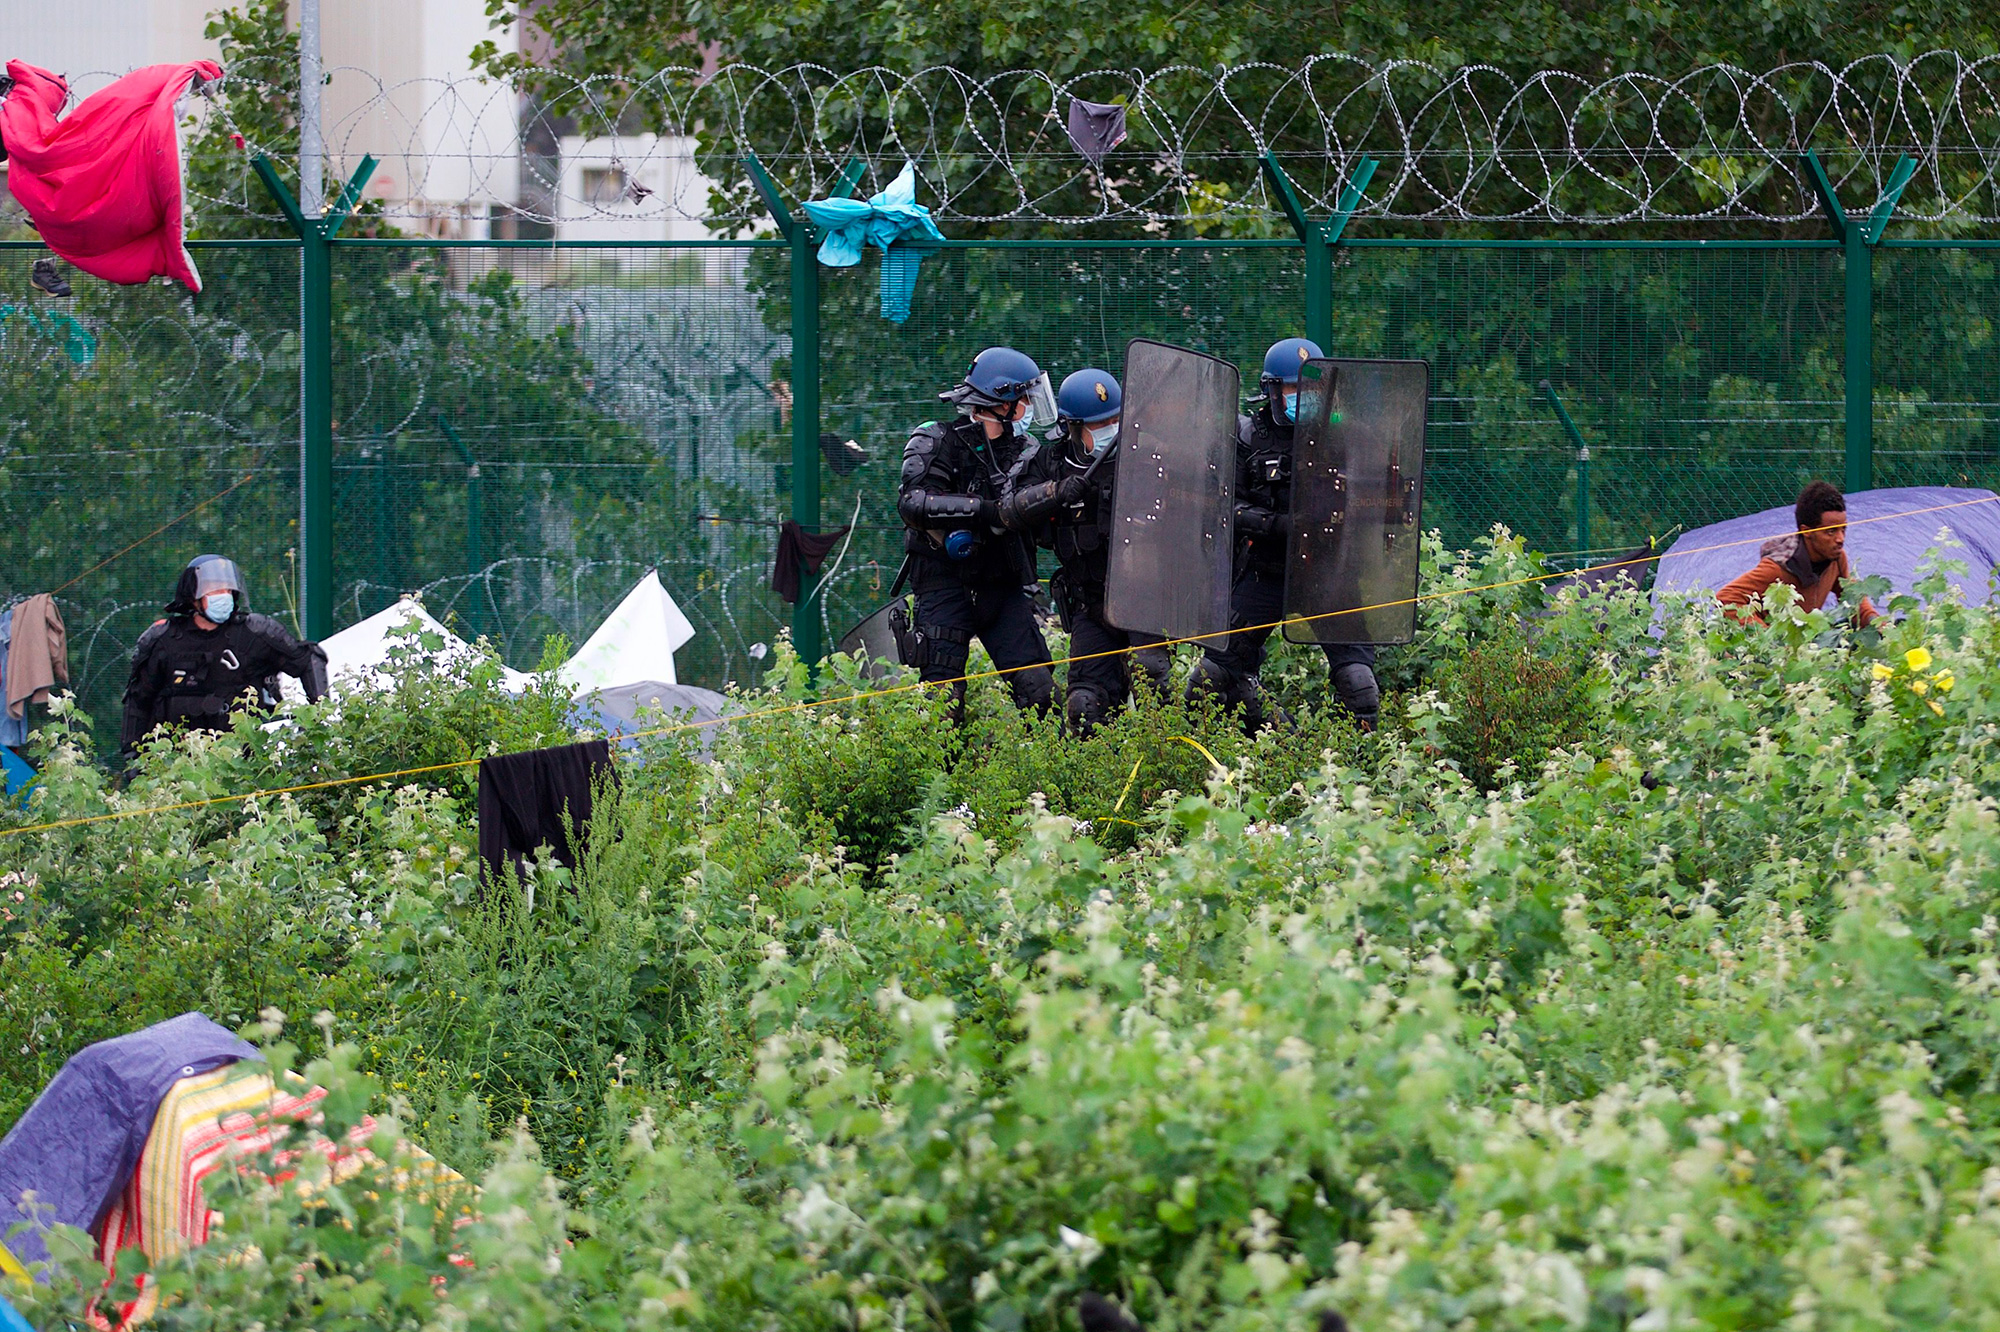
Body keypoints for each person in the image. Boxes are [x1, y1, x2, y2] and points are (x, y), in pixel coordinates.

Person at [1187, 337, 1382, 733]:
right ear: (1271, 390)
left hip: (1329, 572)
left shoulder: (1348, 436)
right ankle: (1269, 747)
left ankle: (1356, 770)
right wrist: (1276, 524)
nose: (1304, 397)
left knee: (1360, 685)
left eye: (1313, 387)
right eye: (1293, 388)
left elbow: (1379, 502)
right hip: (1266, 569)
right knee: (1210, 679)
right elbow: (1219, 506)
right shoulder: (1246, 437)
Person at [999, 367, 1171, 734]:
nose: (1110, 429)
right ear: (1073, 427)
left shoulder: (1150, 454)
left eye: (1114, 420)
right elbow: (1010, 510)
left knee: (1155, 688)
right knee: (1084, 706)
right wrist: (1055, 493)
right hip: (1090, 605)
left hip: (1144, 602)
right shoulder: (1052, 462)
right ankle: (1094, 784)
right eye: (1098, 424)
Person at [896, 348, 1056, 722]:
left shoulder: (1030, 452)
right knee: (943, 707)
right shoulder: (936, 440)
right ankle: (941, 781)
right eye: (1025, 399)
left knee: (1039, 693)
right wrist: (986, 511)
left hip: (1000, 587)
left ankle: (1046, 777)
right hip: (943, 586)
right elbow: (913, 503)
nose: (1030, 407)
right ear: (1002, 402)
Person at [120, 554, 329, 756]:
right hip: (179, 760)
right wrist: (133, 754)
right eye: (214, 590)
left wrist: (317, 720)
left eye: (227, 589)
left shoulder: (256, 633)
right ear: (194, 597)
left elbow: (308, 659)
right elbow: (138, 699)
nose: (223, 595)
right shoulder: (164, 640)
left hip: (245, 759)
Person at [1718, 479, 1879, 627]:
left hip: (1804, 646)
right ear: (1806, 531)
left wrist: (1876, 622)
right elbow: (1725, 598)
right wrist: (1766, 638)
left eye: (1843, 529)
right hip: (1774, 651)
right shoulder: (1777, 568)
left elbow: (1853, 598)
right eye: (1831, 532)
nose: (1840, 539)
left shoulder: (1837, 559)